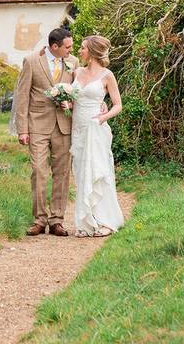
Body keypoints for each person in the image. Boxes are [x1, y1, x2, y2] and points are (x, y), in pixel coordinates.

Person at [13, 28, 79, 237]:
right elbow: (22, 97)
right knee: (39, 171)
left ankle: (57, 220)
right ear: (54, 47)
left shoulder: (73, 62)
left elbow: (79, 92)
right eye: (67, 46)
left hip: (64, 125)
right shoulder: (32, 61)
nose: (71, 50)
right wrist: (22, 129)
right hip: (38, 125)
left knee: (62, 173)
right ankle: (39, 219)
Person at [70, 35, 125, 237]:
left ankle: (106, 221)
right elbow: (73, 99)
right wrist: (65, 103)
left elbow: (118, 104)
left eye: (83, 48)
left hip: (96, 127)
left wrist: (103, 117)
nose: (79, 51)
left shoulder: (107, 75)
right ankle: (85, 221)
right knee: (81, 171)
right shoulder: (76, 72)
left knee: (98, 172)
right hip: (78, 129)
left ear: (92, 52)